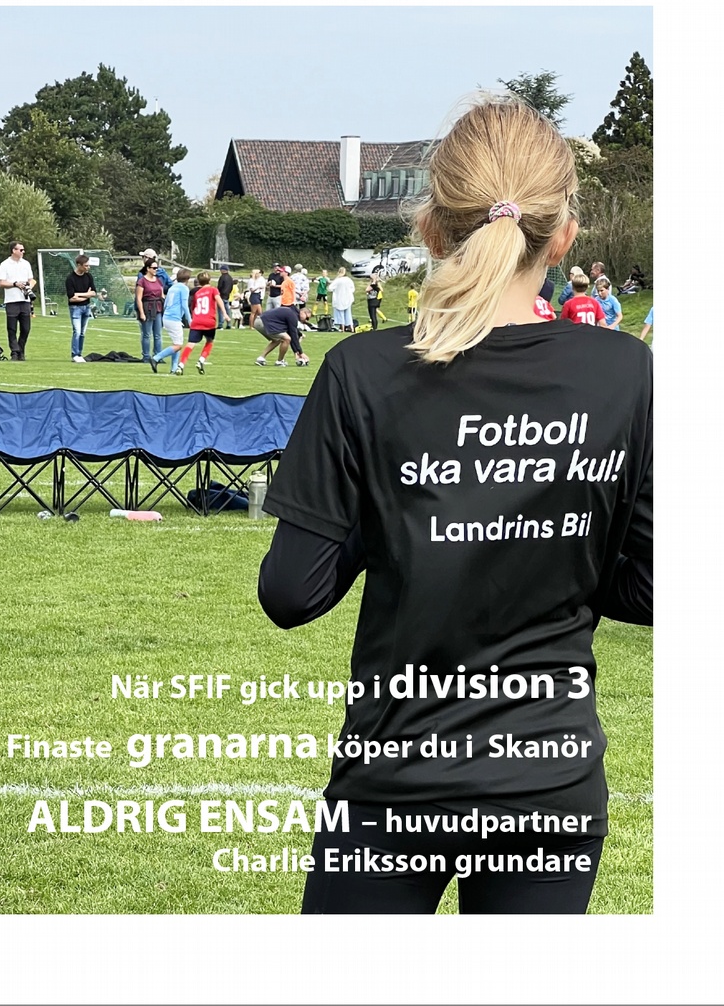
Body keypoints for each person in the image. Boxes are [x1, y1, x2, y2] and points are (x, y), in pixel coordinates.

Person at [257, 99, 652, 915]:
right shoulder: (625, 372)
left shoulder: (364, 372)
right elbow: (654, 586)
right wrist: (555, 556)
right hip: (548, 782)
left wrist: (398, 518)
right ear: (564, 236)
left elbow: (293, 591)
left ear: (431, 229)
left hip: (395, 779)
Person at [178, 271, 230, 373]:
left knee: (191, 344)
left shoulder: (197, 293)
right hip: (209, 320)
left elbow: (193, 307)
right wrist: (225, 314)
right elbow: (219, 300)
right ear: (209, 280)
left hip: (197, 320)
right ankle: (201, 360)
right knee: (209, 341)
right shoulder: (213, 289)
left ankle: (181, 365)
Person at [0, 241, 36, 361]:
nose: (23, 252)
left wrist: (28, 286)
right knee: (12, 328)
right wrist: (15, 284)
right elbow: (1, 283)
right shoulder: (5, 264)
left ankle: (21, 350)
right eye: (21, 250)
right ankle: (14, 352)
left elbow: (32, 280)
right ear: (14, 251)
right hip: (11, 300)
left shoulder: (26, 264)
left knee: (26, 328)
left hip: (25, 300)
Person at [149, 267, 192, 374]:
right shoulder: (184, 288)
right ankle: (156, 358)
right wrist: (189, 320)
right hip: (174, 318)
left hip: (167, 317)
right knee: (178, 345)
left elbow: (166, 302)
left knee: (176, 343)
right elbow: (185, 305)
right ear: (187, 279)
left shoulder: (173, 287)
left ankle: (174, 368)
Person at [65, 254, 97, 363]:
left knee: (83, 332)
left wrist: (79, 294)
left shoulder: (89, 276)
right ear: (79, 265)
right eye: (86, 266)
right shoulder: (70, 278)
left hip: (86, 307)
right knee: (77, 331)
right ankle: (75, 354)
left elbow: (93, 293)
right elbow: (71, 298)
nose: (88, 267)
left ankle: (79, 353)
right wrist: (86, 295)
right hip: (75, 308)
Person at [135, 258, 166, 362]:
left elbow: (162, 295)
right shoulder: (142, 281)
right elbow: (139, 298)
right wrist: (141, 313)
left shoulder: (158, 280)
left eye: (157, 268)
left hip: (158, 308)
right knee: (147, 334)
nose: (156, 270)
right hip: (147, 308)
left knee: (158, 335)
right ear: (148, 268)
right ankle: (146, 356)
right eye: (154, 268)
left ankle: (158, 356)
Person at [328, 267, 356, 332]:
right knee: (348, 314)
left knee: (340, 314)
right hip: (348, 299)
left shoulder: (338, 280)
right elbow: (352, 289)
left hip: (339, 298)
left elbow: (330, 288)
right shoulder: (349, 280)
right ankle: (351, 328)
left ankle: (342, 328)